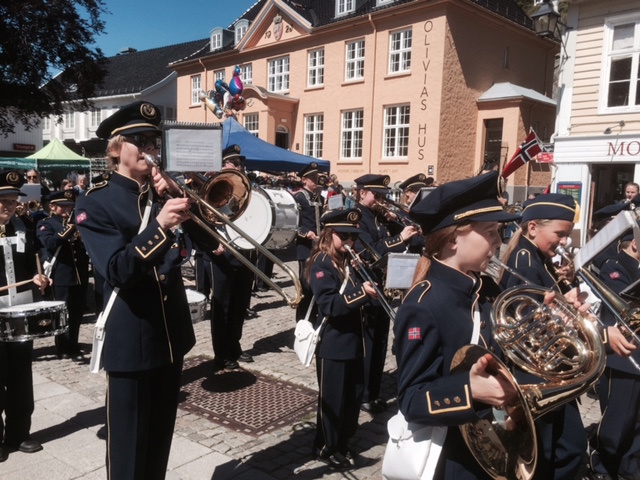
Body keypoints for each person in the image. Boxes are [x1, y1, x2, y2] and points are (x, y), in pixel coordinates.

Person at [75, 101, 216, 479]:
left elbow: (213, 245)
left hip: (170, 337)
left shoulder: (162, 194)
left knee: (158, 446)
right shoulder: (95, 201)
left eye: (154, 142)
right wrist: (160, 226)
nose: (150, 149)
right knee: (129, 454)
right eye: (140, 141)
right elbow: (117, 270)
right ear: (116, 148)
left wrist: (181, 199)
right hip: (131, 341)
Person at [393, 171, 521, 479]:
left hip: (497, 440)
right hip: (454, 457)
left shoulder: (485, 287)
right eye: (490, 231)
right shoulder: (424, 305)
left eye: (499, 231)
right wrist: (469, 390)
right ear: (453, 239)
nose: (498, 241)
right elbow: (411, 399)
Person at [499, 193, 587, 480]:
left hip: (549, 372)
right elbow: (520, 321)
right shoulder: (525, 260)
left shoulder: (536, 256)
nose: (564, 241)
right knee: (549, 453)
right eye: (560, 234)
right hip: (536, 375)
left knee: (568, 447)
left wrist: (566, 294)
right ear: (533, 227)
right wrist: (563, 317)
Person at [307, 208, 378, 469]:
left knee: (353, 397)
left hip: (355, 341)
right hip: (333, 343)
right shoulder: (320, 263)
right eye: (344, 236)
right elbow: (330, 305)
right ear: (330, 234)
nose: (350, 242)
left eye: (353, 237)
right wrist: (361, 292)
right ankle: (326, 446)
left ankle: (343, 440)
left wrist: (366, 272)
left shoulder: (350, 261)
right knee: (333, 400)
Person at [354, 173, 418, 414]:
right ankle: (363, 394)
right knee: (369, 343)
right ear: (362, 193)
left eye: (383, 196)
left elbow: (412, 236)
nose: (380, 201)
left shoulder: (380, 217)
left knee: (381, 342)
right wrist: (399, 238)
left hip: (386, 285)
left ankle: (373, 392)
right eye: (376, 196)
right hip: (368, 285)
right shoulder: (357, 218)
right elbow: (369, 252)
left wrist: (397, 221)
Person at [0, 170, 51, 462]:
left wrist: (38, 276)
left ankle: (18, 433)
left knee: (21, 375)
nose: (10, 206)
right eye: (3, 201)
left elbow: (35, 259)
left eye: (13, 201)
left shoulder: (23, 226)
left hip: (20, 312)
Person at [588, 227, 640, 480]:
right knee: (617, 423)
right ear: (635, 244)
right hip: (622, 359)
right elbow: (622, 301)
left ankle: (628, 469)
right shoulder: (614, 265)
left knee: (637, 423)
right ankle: (601, 465)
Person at [209, 145, 256, 370]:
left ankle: (234, 346)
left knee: (240, 304)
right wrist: (212, 243)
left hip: (244, 251)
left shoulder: (245, 188)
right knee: (223, 306)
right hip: (223, 254)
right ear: (223, 165)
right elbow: (204, 218)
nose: (239, 167)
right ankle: (221, 353)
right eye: (234, 163)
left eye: (240, 163)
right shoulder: (213, 185)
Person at [36, 189, 89, 359]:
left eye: (70, 205)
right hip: (61, 275)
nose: (67, 209)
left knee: (77, 311)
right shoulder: (46, 223)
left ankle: (73, 343)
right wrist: (69, 229)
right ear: (52, 206)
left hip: (79, 274)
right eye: (63, 206)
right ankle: (63, 346)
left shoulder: (75, 223)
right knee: (63, 313)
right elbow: (49, 243)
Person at [294, 162, 325, 321]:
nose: (315, 180)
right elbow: (293, 222)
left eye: (316, 177)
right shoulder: (298, 197)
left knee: (318, 282)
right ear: (304, 180)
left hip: (319, 246)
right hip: (305, 247)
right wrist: (306, 233)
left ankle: (316, 318)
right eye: (312, 178)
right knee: (305, 285)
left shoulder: (320, 197)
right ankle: (303, 320)